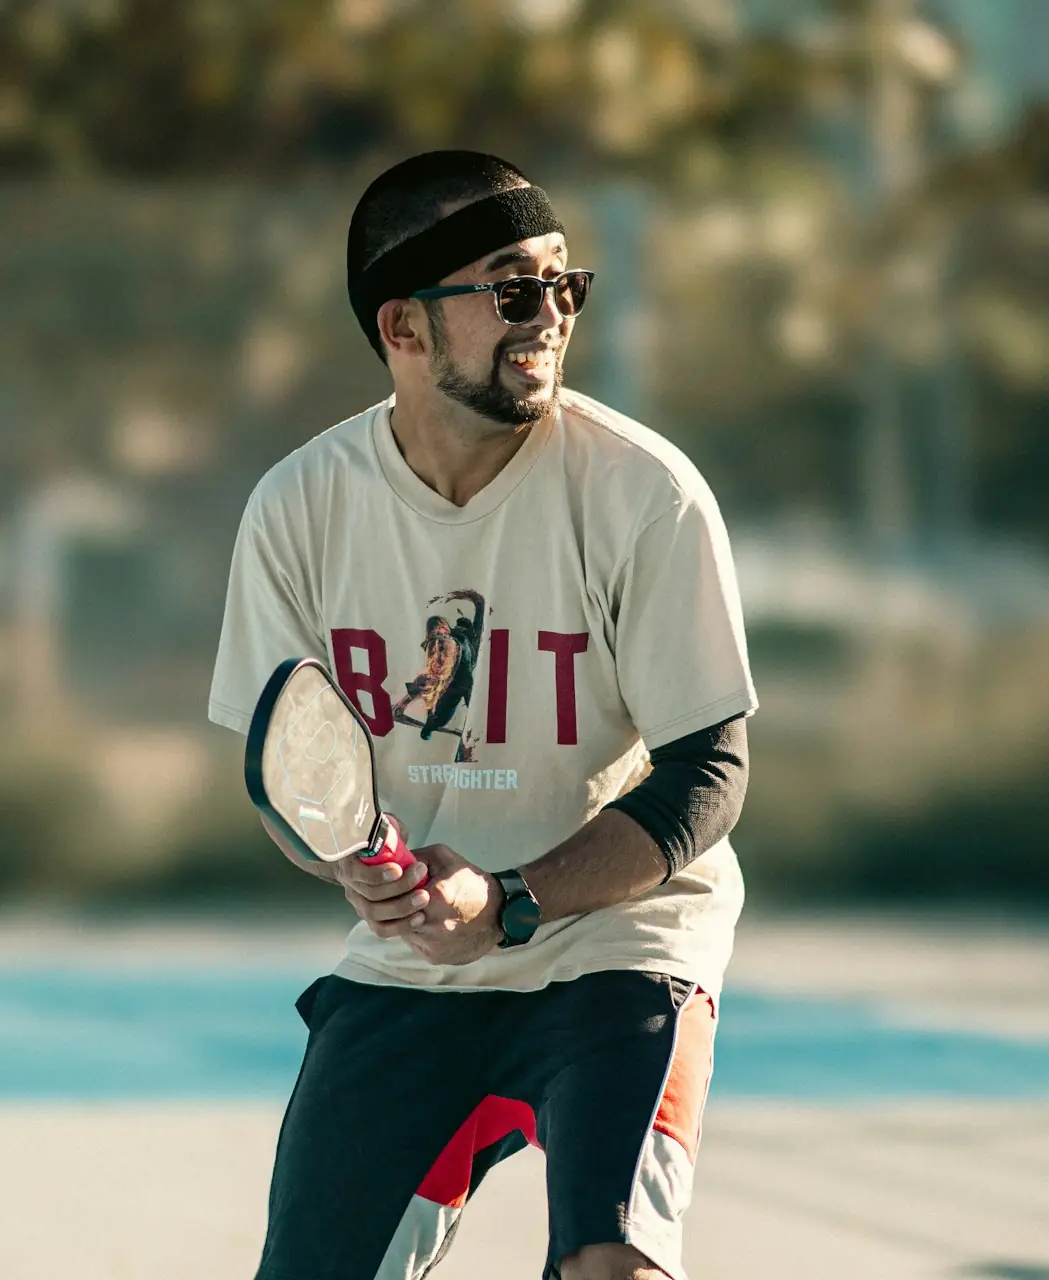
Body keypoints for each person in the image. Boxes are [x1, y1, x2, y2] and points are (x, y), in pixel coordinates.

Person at [209, 152, 755, 1280]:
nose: (548, 315)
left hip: (621, 943)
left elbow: (709, 775)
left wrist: (510, 901)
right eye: (511, 288)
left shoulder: (642, 493)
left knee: (615, 1263)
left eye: (563, 285)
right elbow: (287, 769)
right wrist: (354, 869)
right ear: (403, 325)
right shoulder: (299, 509)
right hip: (414, 970)